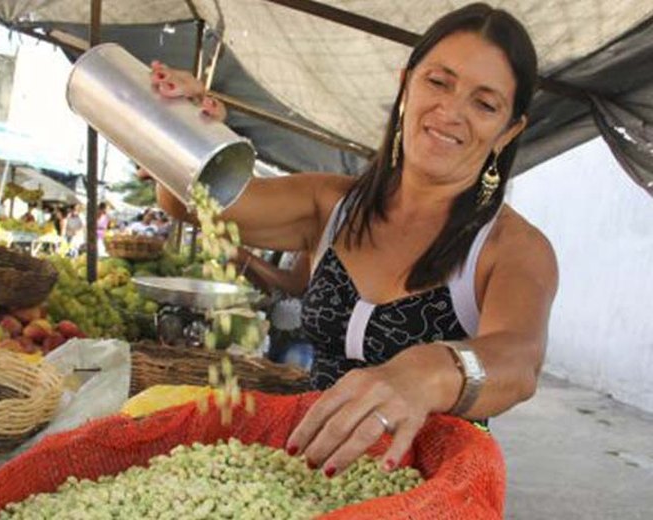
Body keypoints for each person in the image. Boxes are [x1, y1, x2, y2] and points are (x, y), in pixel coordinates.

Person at [153, 3, 558, 477]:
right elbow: (190, 201)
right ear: (406, 83)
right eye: (438, 82)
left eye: (484, 104)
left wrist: (431, 370)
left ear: (509, 131)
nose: (450, 112)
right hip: (305, 478)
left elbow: (519, 360)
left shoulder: (512, 246)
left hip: (431, 494)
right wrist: (184, 127)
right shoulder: (330, 205)